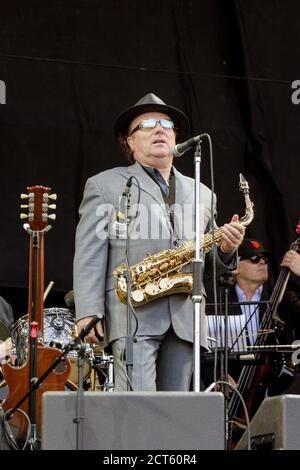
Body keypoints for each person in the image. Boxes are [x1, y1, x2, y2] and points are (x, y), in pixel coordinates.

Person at [73, 92, 245, 392]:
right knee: (139, 409)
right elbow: (90, 253)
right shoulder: (104, 185)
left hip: (185, 317)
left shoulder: (204, 193)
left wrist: (227, 249)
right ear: (130, 141)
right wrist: (88, 310)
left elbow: (211, 264)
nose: (159, 129)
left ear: (176, 137)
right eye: (148, 124)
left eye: (166, 124)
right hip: (132, 314)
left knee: (175, 415)